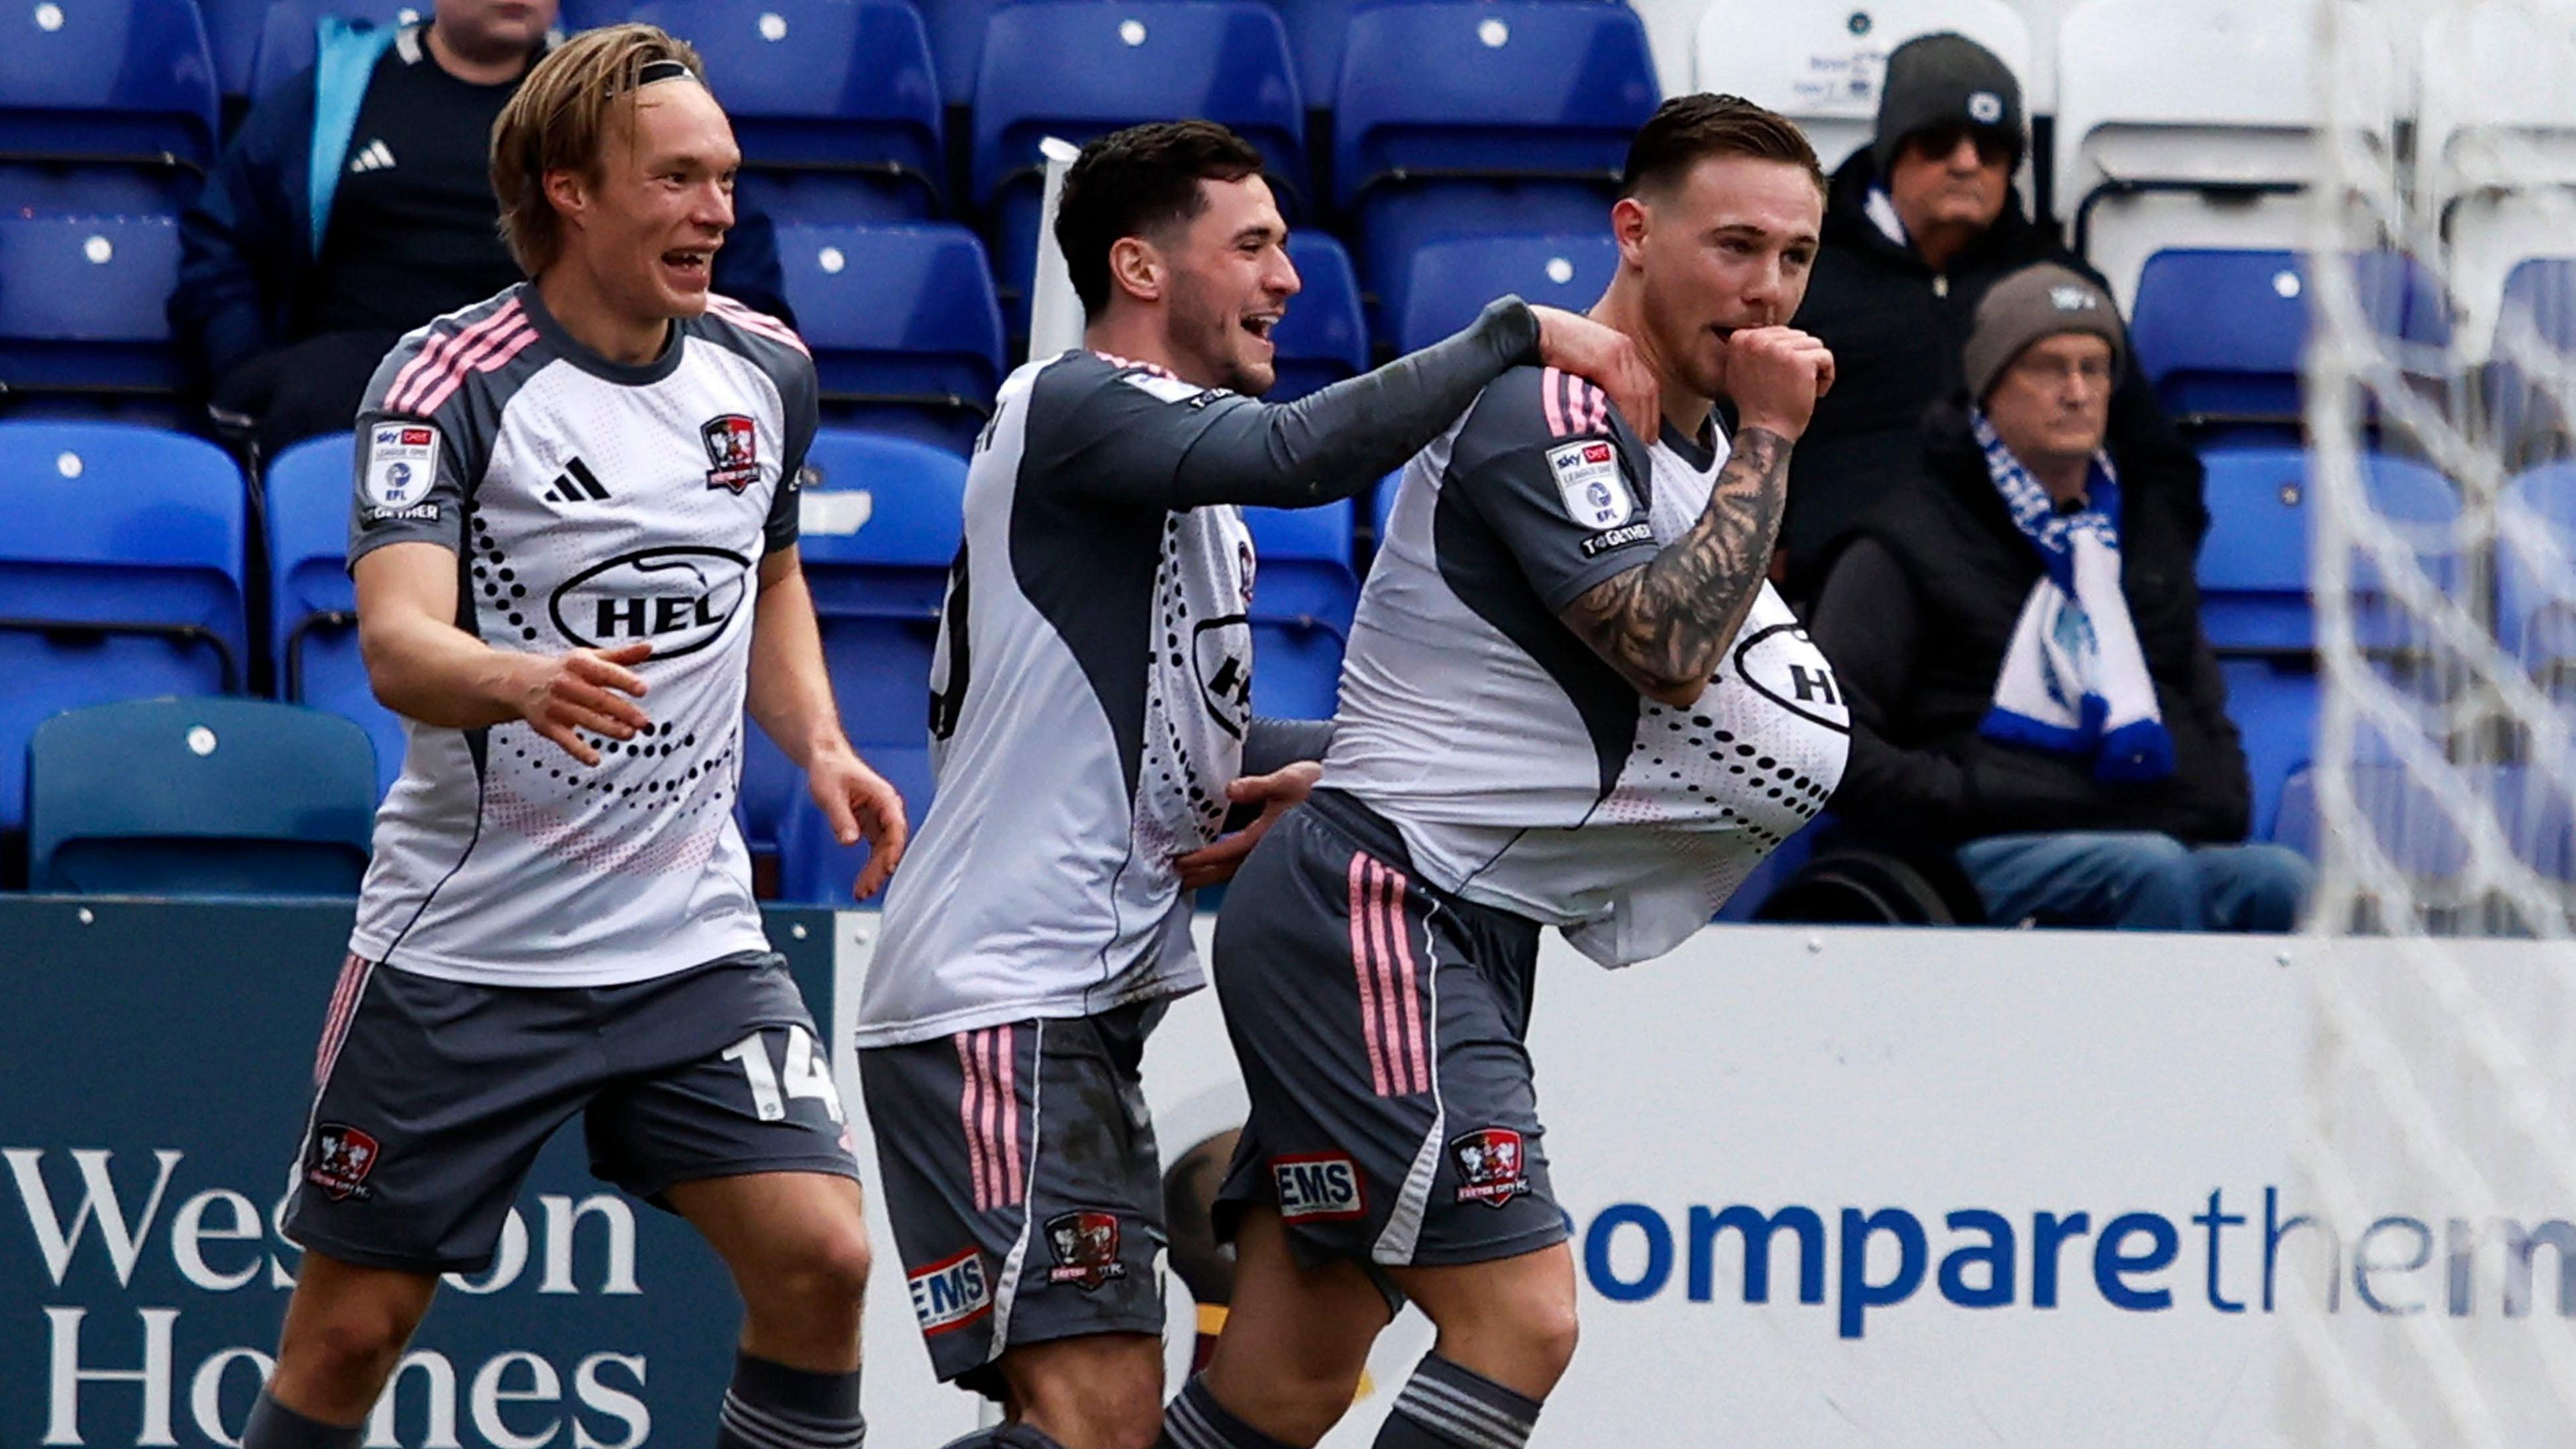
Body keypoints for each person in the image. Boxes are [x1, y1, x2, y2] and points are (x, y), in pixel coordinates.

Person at [850, 121, 1654, 1449]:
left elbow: (1201, 745)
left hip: (1074, 1005)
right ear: (1140, 267)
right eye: (1256, 246)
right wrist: (1504, 339)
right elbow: (1301, 459)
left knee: (1126, 1422)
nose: (1291, 279)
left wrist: (1390, 767)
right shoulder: (1074, 401)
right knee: (1096, 1417)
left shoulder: (1168, 486)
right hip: (996, 1000)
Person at [239, 26, 902, 1449]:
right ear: (570, 190)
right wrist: (518, 678)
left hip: (689, 941)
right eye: (675, 180)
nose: (715, 211)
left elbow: (768, 571)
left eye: (725, 179)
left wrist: (826, 744)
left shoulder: (766, 368)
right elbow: (401, 645)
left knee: (826, 1260)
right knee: (350, 1336)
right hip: (470, 947)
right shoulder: (446, 380)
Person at [1160, 95, 1847, 1449]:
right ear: (1635, 234)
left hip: (1448, 914)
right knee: (1521, 1321)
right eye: (1736, 246)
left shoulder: (1691, 434)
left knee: (1288, 1385)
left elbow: (1507, 689)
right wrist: (1773, 438)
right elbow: (1664, 650)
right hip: (1387, 913)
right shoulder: (1554, 403)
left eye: (1797, 256)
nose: (1767, 288)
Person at [1807, 263, 2312, 931]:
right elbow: (1831, 745)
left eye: (2095, 369)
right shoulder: (1905, 539)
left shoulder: (2142, 542)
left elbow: (2210, 727)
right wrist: (1970, 793)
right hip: (1961, 850)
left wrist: (2185, 802)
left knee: (2282, 882)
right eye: (2048, 367)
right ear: (1988, 387)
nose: (2077, 392)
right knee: (2148, 872)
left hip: (2139, 831)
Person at [171, 0, 790, 459]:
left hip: (555, 363)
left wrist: (710, 374)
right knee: (315, 397)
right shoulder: (341, 86)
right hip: (360, 373)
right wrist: (247, 367)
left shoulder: (613, 100)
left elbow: (722, 226)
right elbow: (223, 241)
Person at [1778, 31, 2202, 598]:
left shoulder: (2062, 287)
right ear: (1891, 151)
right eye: (1938, 142)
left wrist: (2144, 584)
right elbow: (1723, 431)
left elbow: (2158, 466)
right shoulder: (1800, 269)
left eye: (1992, 147)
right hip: (1832, 600)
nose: (1966, 163)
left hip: (2023, 608)